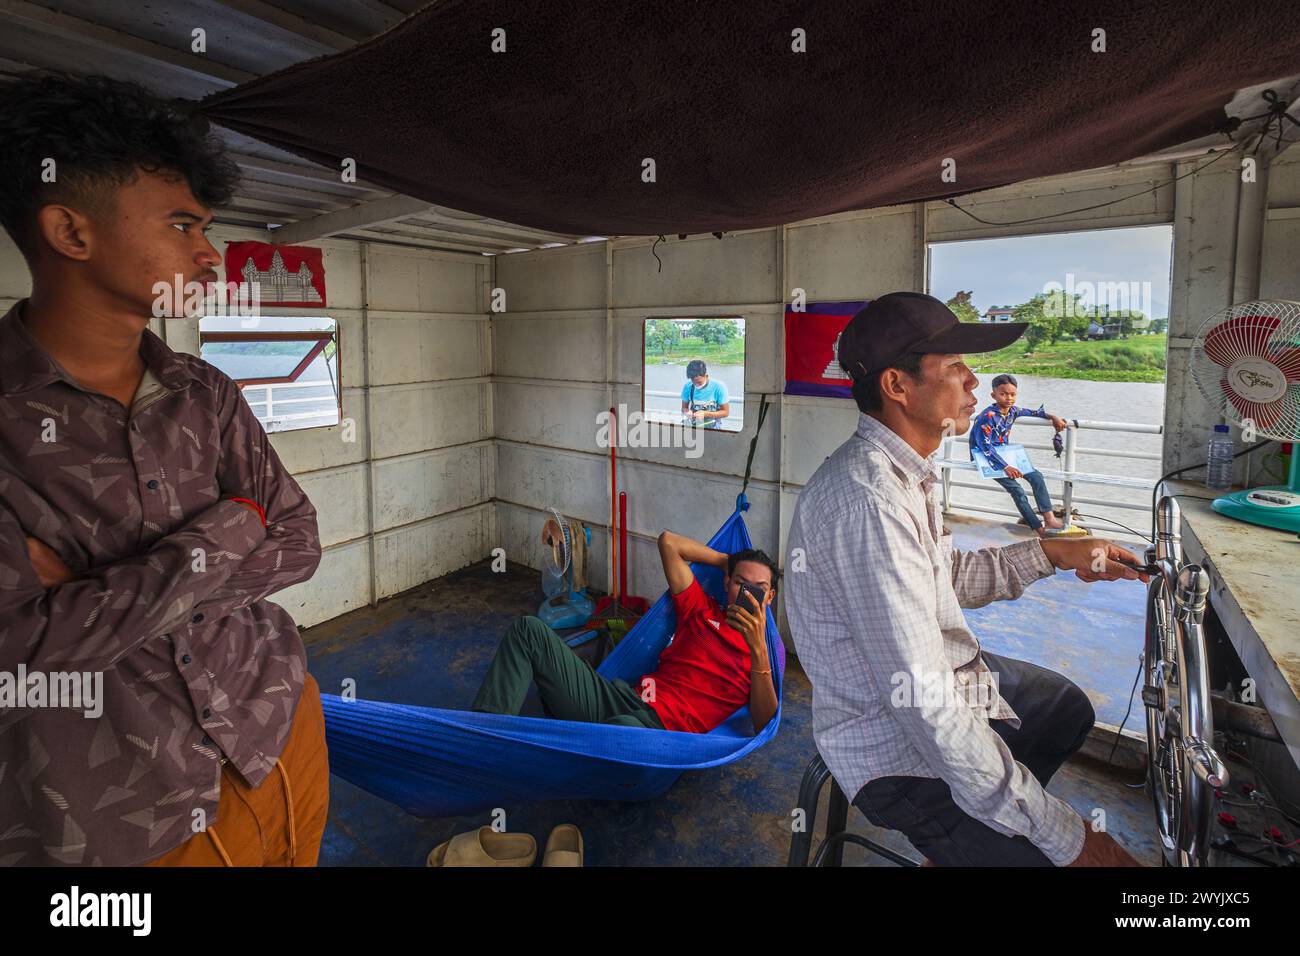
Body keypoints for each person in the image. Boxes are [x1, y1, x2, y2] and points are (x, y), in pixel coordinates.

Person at [0, 72, 326, 866]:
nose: (207, 253)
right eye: (182, 224)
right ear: (70, 233)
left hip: (281, 728)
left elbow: (300, 538)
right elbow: (20, 651)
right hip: (130, 823)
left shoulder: (203, 392)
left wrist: (101, 595)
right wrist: (228, 525)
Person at [785, 291, 1144, 867]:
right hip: (892, 741)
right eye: (954, 367)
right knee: (1053, 855)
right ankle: (981, 834)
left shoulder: (910, 474)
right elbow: (924, 702)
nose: (974, 381)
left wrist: (1054, 552)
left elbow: (945, 575)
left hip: (940, 685)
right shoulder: (868, 501)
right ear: (898, 387)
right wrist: (1069, 838)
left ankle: (975, 841)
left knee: (1064, 709)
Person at [472, 532, 779, 735]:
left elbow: (765, 723)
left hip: (655, 731)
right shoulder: (701, 610)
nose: (748, 593)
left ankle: (566, 743)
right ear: (726, 583)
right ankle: (481, 739)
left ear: (770, 597)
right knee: (529, 631)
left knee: (620, 731)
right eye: (741, 583)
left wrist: (757, 650)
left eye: (759, 588)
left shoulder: (765, 655)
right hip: (623, 698)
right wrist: (727, 561)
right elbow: (669, 543)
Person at [969, 373, 1068, 536]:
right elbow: (984, 446)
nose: (1009, 398)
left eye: (1012, 394)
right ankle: (1038, 528)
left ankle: (1049, 518)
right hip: (985, 457)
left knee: (1036, 477)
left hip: (1005, 453)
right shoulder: (987, 417)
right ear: (993, 395)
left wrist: (1053, 417)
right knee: (1017, 490)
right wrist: (1006, 467)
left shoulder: (1013, 411)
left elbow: (1036, 413)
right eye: (1003, 394)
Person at [680, 359, 730, 428]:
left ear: (706, 376)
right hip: (695, 424)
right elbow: (683, 408)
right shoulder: (688, 386)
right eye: (694, 382)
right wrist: (687, 412)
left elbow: (725, 412)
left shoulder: (719, 387)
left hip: (713, 425)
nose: (696, 385)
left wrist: (705, 414)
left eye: (699, 382)